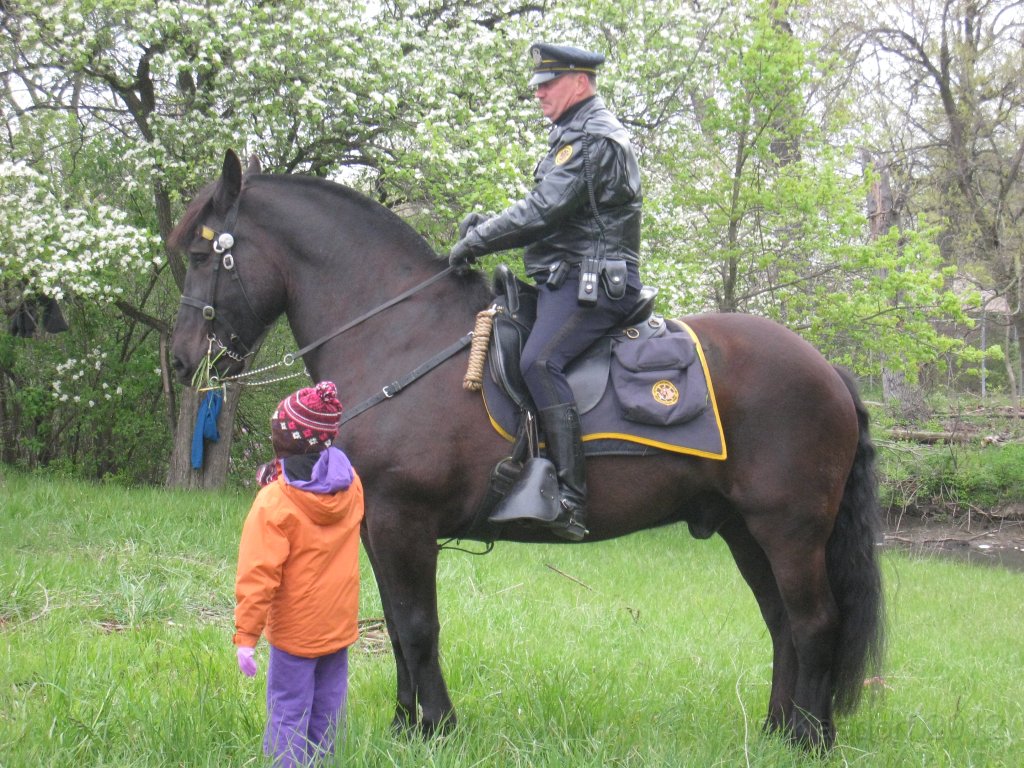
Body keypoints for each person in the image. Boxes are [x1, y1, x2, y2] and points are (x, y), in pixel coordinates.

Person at [449, 42, 643, 541]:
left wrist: (479, 240)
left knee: (539, 361)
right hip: (568, 280)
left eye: (548, 83)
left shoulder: (594, 139)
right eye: (537, 85)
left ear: (580, 82)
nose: (538, 94)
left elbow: (542, 212)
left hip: (595, 285)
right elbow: (548, 208)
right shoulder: (571, 135)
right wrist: (486, 227)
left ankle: (572, 500)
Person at [233, 381, 364, 768]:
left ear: (284, 443)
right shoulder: (352, 485)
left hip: (295, 635)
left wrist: (246, 636)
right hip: (338, 627)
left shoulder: (275, 501)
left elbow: (259, 574)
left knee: (289, 712)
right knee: (327, 712)